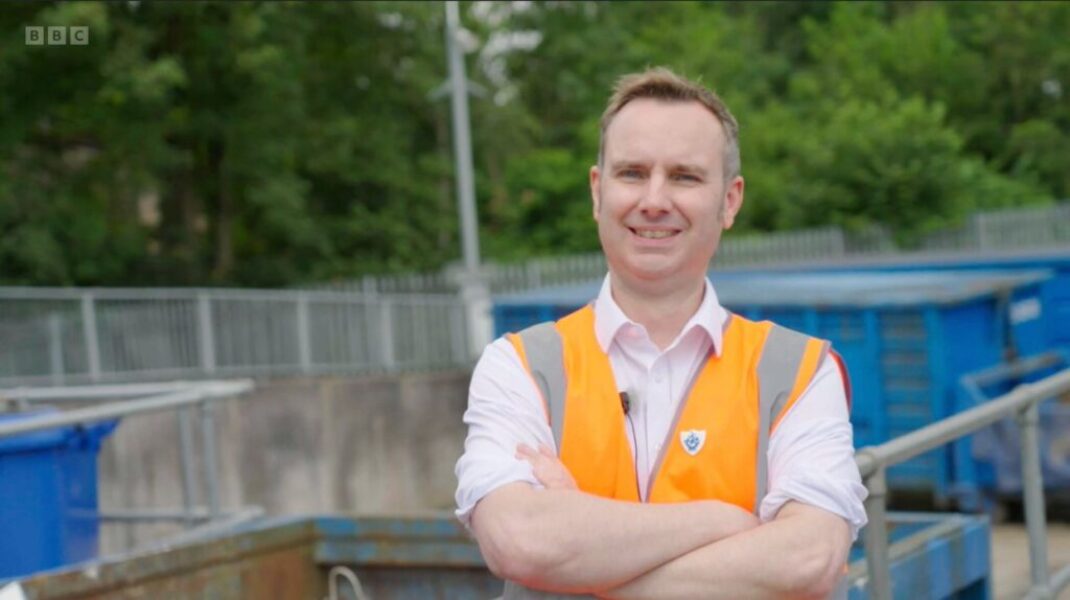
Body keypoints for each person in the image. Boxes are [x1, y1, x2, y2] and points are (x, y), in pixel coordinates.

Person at [454, 67, 867, 599]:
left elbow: (808, 558)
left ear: (730, 201)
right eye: (632, 173)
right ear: (597, 191)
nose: (653, 200)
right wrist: (724, 521)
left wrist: (583, 560)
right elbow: (520, 542)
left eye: (684, 177)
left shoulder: (801, 372)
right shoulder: (519, 367)